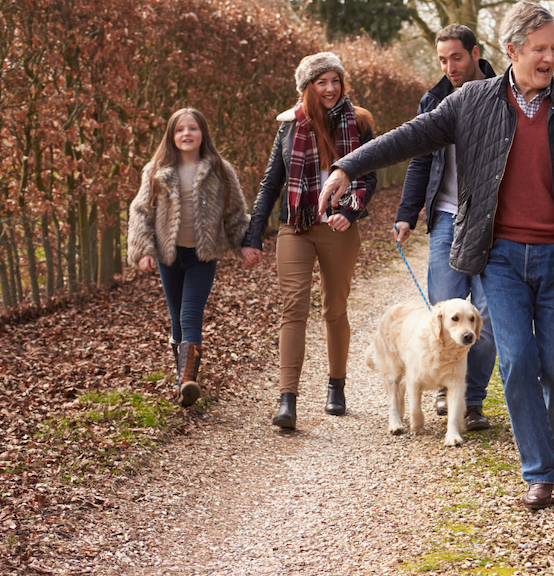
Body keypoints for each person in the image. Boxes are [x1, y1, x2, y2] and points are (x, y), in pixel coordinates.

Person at [321, 1, 554, 509]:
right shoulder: (471, 101)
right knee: (517, 360)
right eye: (540, 49)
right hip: (498, 257)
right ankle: (539, 470)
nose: (549, 58)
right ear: (513, 50)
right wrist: (348, 165)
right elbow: (408, 138)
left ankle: (550, 431)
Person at [240, 53, 377, 430]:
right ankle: (288, 399)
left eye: (335, 80)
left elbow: (368, 177)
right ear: (307, 87)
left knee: (335, 308)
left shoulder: (359, 122)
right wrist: (254, 235)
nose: (331, 88)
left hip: (339, 230)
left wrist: (350, 213)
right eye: (322, 82)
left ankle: (336, 386)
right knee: (293, 308)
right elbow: (271, 183)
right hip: (295, 227)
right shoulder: (289, 127)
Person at [393, 24, 497, 432]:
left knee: (485, 315)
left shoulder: (502, 93)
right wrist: (407, 212)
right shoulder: (433, 99)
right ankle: (443, 385)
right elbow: (420, 158)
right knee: (445, 313)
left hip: (492, 221)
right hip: (447, 218)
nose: (449, 66)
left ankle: (470, 400)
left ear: (475, 53)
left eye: (456, 57)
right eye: (442, 59)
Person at [127, 108, 249, 408]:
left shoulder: (220, 169)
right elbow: (141, 211)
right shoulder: (155, 171)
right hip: (170, 256)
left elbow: (235, 211)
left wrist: (245, 244)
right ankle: (183, 376)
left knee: (190, 313)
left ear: (202, 134)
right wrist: (144, 249)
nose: (186, 134)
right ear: (171, 136)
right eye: (179, 130)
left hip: (202, 255)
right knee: (176, 319)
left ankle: (185, 383)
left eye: (192, 128)